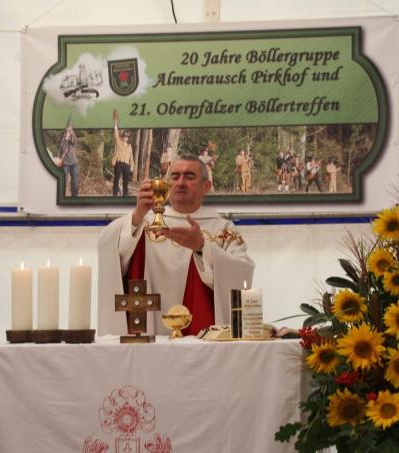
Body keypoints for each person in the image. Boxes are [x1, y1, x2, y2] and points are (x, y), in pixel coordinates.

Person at [97, 156, 255, 336]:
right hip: (148, 336)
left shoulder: (222, 229)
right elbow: (108, 246)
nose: (180, 183)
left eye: (189, 176)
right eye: (175, 176)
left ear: (207, 186)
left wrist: (203, 248)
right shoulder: (145, 222)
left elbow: (242, 273)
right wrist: (137, 215)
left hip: (202, 341)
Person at [111, 110, 135, 196]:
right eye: (124, 136)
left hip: (126, 165)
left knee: (126, 180)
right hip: (119, 163)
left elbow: (131, 157)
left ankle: (125, 194)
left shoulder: (129, 146)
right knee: (117, 178)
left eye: (127, 137)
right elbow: (116, 133)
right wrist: (115, 124)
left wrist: (132, 166)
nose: (125, 138)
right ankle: (115, 193)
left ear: (128, 138)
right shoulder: (119, 142)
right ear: (122, 137)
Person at [58, 122, 79, 197]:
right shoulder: (62, 138)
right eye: (68, 129)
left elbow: (74, 141)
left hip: (74, 163)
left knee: (75, 184)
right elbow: (60, 149)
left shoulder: (72, 137)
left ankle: (74, 198)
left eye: (71, 129)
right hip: (65, 164)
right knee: (63, 182)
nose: (69, 130)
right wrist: (65, 137)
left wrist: (71, 134)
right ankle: (62, 197)